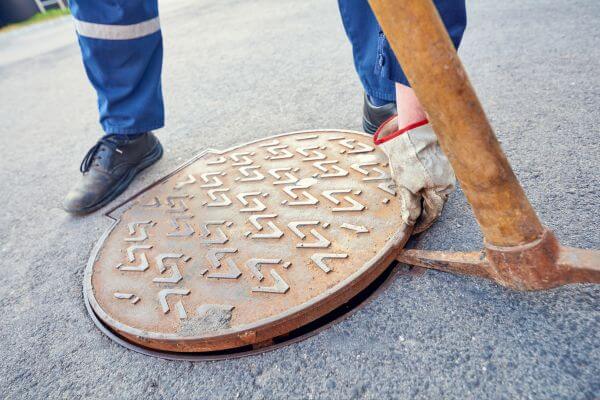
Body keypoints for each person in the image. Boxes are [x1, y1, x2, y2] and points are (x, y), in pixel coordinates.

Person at [64, 0, 466, 233]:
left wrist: (414, 115)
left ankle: (388, 95)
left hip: (402, 82)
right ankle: (127, 127)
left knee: (396, 90)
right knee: (105, 8)